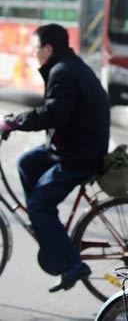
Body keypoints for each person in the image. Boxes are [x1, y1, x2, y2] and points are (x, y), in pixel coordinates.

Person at [0, 24, 110, 292]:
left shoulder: (62, 73)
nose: (33, 53)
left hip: (78, 156)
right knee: (27, 163)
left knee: (39, 205)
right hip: (73, 146)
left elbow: (53, 114)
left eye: (35, 48)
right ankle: (47, 229)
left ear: (48, 49)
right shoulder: (69, 66)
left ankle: (72, 264)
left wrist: (13, 123)